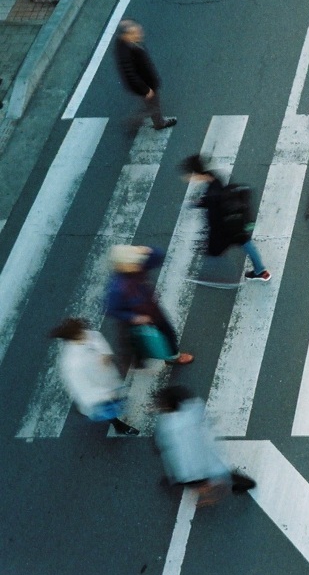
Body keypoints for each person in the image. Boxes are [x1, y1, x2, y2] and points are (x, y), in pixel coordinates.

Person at [154, 386, 256, 506]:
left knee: (200, 481)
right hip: (204, 457)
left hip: (191, 468)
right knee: (222, 472)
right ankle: (247, 483)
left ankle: (214, 494)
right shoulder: (192, 409)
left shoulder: (167, 425)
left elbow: (171, 449)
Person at [180, 154, 270, 282]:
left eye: (189, 175)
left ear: (196, 174)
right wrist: (199, 202)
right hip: (236, 219)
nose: (188, 178)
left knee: (214, 251)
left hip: (226, 227)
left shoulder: (212, 194)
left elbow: (215, 219)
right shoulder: (214, 177)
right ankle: (261, 271)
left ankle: (216, 276)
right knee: (245, 242)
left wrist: (210, 239)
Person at [105, 245, 193, 371]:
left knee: (167, 332)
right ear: (122, 266)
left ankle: (173, 356)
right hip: (136, 319)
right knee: (138, 342)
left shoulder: (137, 268)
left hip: (152, 311)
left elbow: (159, 257)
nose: (138, 263)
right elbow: (111, 310)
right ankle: (137, 360)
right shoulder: (117, 288)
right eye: (133, 262)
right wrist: (134, 318)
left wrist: (148, 251)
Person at [50, 318, 140, 436]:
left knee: (116, 401)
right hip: (98, 394)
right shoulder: (72, 363)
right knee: (110, 410)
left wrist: (105, 355)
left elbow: (99, 341)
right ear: (73, 338)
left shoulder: (88, 335)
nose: (84, 333)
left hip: (107, 379)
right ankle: (119, 426)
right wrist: (105, 394)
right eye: (80, 333)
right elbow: (83, 387)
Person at [113, 19, 176, 131]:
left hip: (147, 80)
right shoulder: (126, 52)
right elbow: (130, 74)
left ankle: (151, 120)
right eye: (135, 33)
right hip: (145, 84)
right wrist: (146, 90)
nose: (140, 34)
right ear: (126, 36)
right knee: (153, 105)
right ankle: (154, 123)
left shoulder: (128, 42)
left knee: (151, 104)